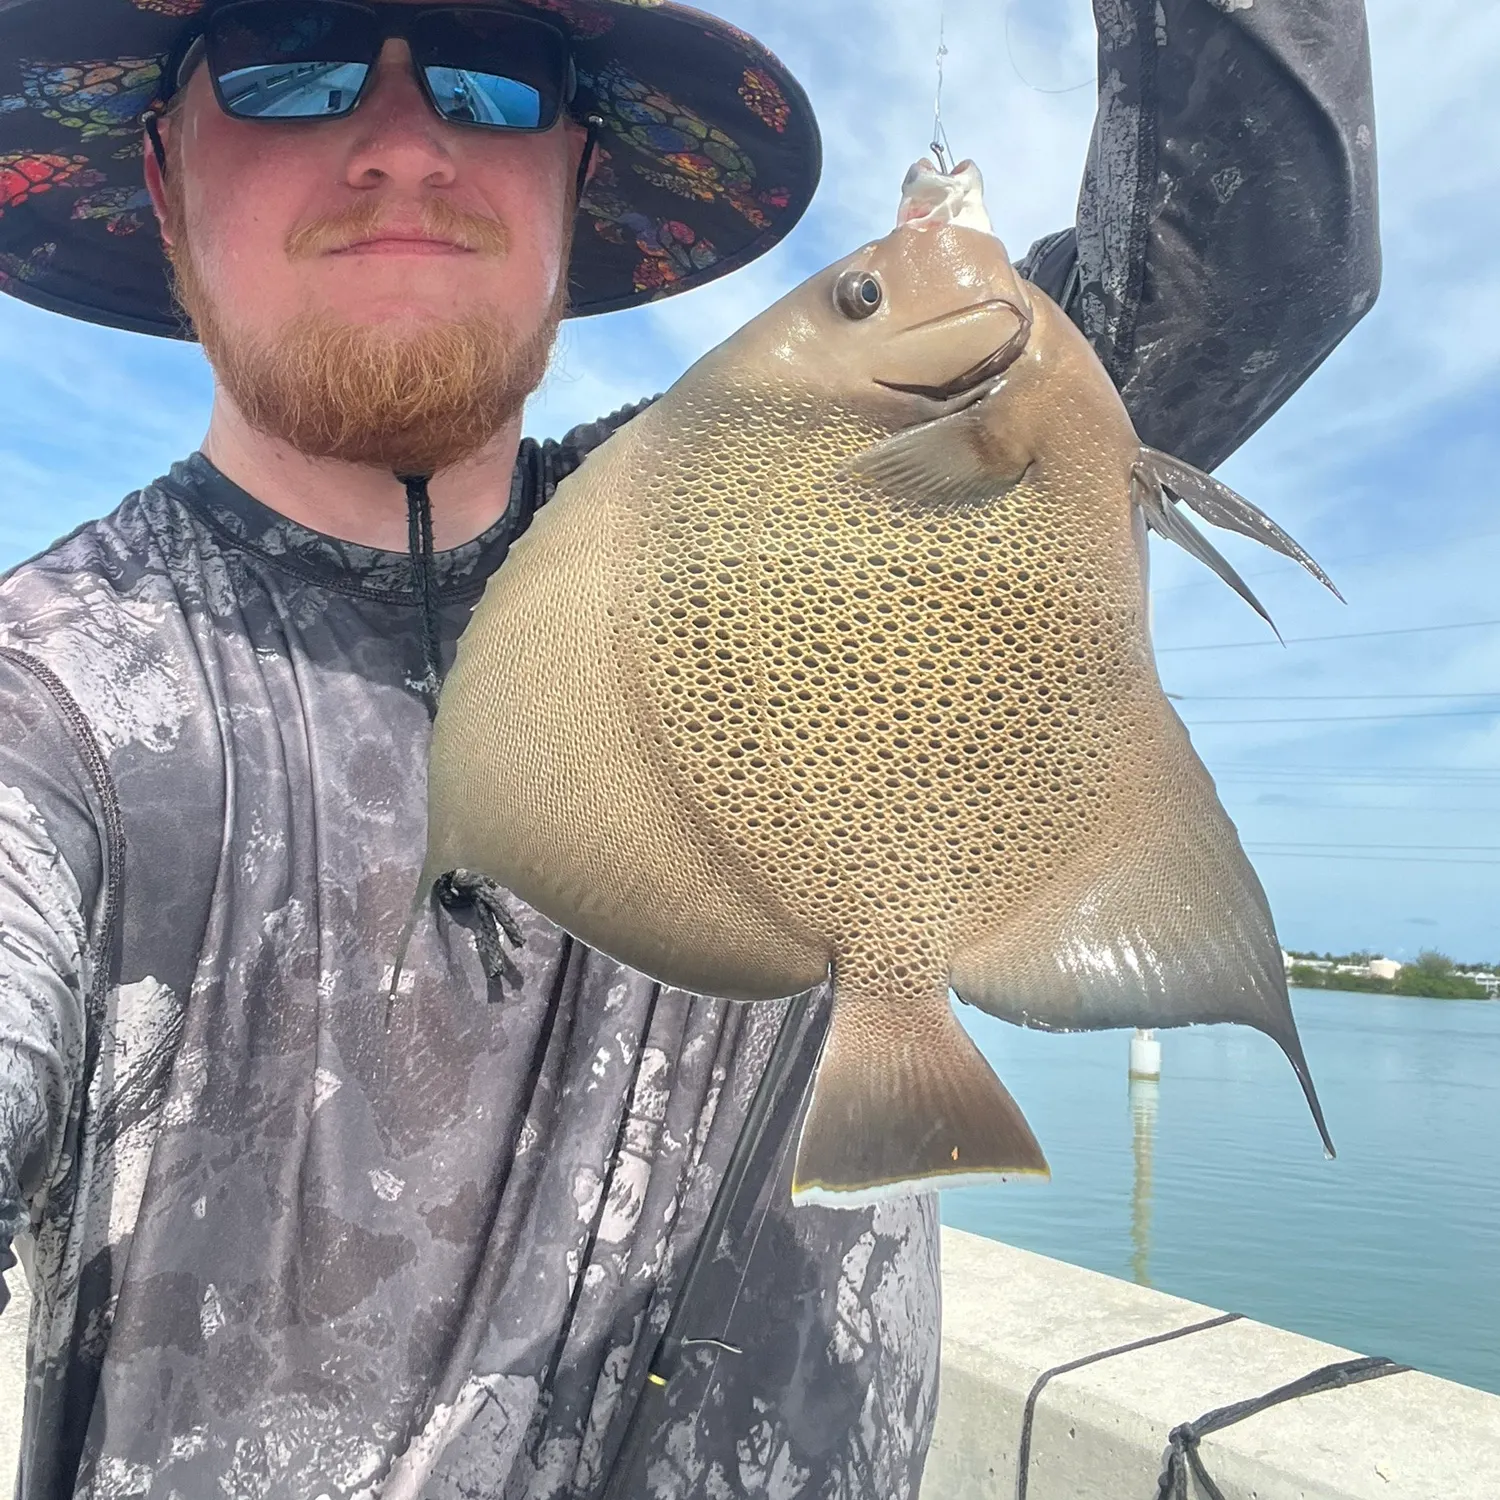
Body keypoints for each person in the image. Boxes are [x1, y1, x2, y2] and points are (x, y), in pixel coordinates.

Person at [0, 0, 1379, 1495]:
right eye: (289, 69)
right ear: (162, 177)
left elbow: (1246, 250)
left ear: (575, 182)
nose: (400, 145)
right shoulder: (49, 698)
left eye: (492, 80)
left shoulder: (826, 497)